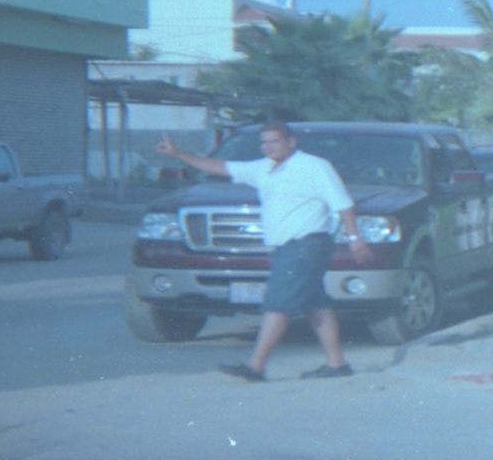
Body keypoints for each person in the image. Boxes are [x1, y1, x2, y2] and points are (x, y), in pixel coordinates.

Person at [156, 123, 373, 382]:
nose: (269, 147)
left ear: (290, 142)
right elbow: (220, 167)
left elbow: (342, 203)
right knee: (316, 305)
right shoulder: (263, 168)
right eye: (264, 142)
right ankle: (337, 365)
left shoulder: (314, 166)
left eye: (274, 141)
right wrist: (179, 155)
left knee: (276, 304)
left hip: (306, 245)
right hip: (285, 248)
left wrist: (354, 237)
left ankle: (255, 366)